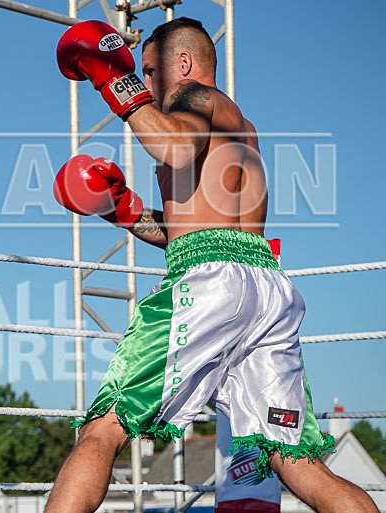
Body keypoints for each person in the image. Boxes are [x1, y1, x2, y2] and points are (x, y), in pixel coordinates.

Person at [48, 18, 377, 513]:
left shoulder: (194, 98)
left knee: (105, 426)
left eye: (150, 72)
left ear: (182, 65)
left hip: (212, 284)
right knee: (295, 462)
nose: (148, 85)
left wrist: (114, 80)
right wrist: (123, 211)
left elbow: (173, 149)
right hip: (264, 289)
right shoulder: (240, 127)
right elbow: (195, 233)